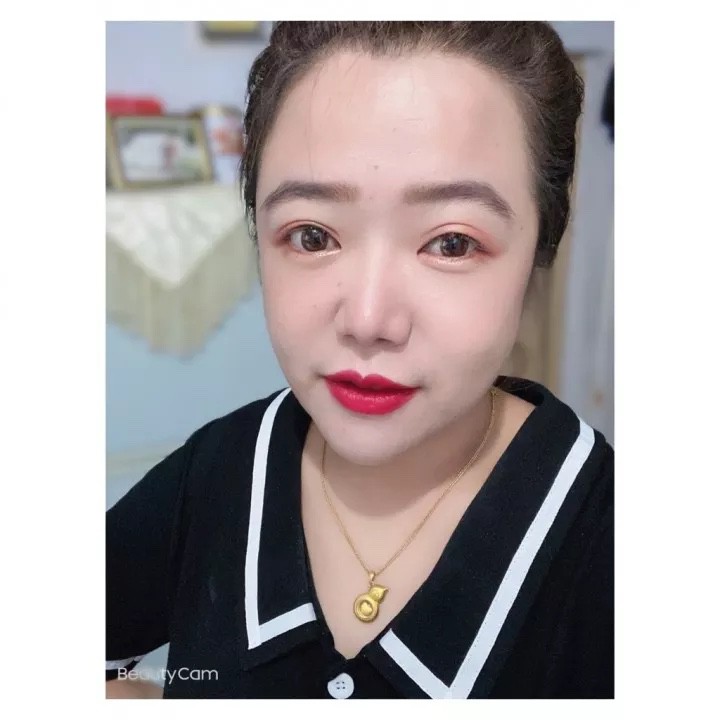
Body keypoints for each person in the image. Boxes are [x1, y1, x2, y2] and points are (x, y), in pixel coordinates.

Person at [106, 21, 612, 699]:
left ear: (539, 251)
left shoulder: (608, 545)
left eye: (452, 243)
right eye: (312, 236)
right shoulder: (222, 468)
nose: (369, 321)